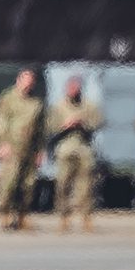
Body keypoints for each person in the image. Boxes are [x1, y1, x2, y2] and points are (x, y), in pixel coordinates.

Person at [0, 69, 45, 231]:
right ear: (18, 80)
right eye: (25, 80)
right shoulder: (8, 98)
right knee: (9, 182)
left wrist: (40, 151)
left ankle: (22, 216)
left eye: (31, 81)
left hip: (29, 149)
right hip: (12, 147)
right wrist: (3, 143)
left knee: (28, 184)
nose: (28, 84)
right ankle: (5, 215)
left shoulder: (36, 103)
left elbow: (40, 130)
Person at [47, 75, 102, 232]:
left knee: (86, 186)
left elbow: (98, 122)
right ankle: (64, 217)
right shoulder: (58, 107)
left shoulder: (88, 106)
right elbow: (50, 127)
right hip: (64, 149)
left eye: (76, 88)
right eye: (71, 88)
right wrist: (65, 125)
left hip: (84, 149)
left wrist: (83, 123)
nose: (73, 91)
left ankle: (86, 217)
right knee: (63, 184)